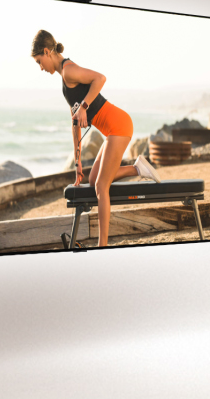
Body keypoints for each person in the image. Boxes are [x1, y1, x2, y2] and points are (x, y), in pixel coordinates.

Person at [31, 30, 159, 248]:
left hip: (119, 126)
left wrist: (84, 106)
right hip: (113, 130)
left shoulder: (69, 70)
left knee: (101, 186)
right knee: (93, 180)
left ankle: (103, 246)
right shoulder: (64, 79)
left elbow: (100, 79)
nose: (40, 67)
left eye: (39, 61)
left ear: (46, 52)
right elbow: (74, 121)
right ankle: (138, 169)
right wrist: (78, 161)